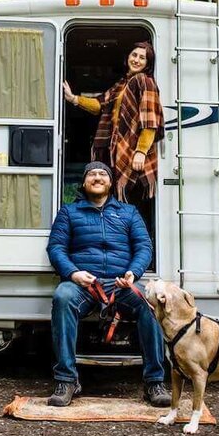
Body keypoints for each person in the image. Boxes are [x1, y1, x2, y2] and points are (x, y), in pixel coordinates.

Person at [45, 161, 171, 408]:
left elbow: (144, 247)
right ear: (83, 182)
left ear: (111, 183)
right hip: (83, 284)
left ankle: (155, 382)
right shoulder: (68, 212)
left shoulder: (129, 212)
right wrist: (73, 274)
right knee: (62, 296)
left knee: (151, 304)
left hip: (120, 284)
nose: (97, 177)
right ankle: (66, 380)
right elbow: (56, 248)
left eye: (103, 173)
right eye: (91, 174)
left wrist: (133, 273)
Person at [62, 41, 163, 204]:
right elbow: (99, 106)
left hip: (133, 150)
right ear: (128, 57)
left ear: (148, 63)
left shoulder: (145, 82)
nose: (136, 60)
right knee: (118, 197)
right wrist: (73, 98)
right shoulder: (122, 84)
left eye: (142, 58)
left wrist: (141, 151)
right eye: (134, 55)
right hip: (117, 148)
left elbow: (150, 122)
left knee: (131, 199)